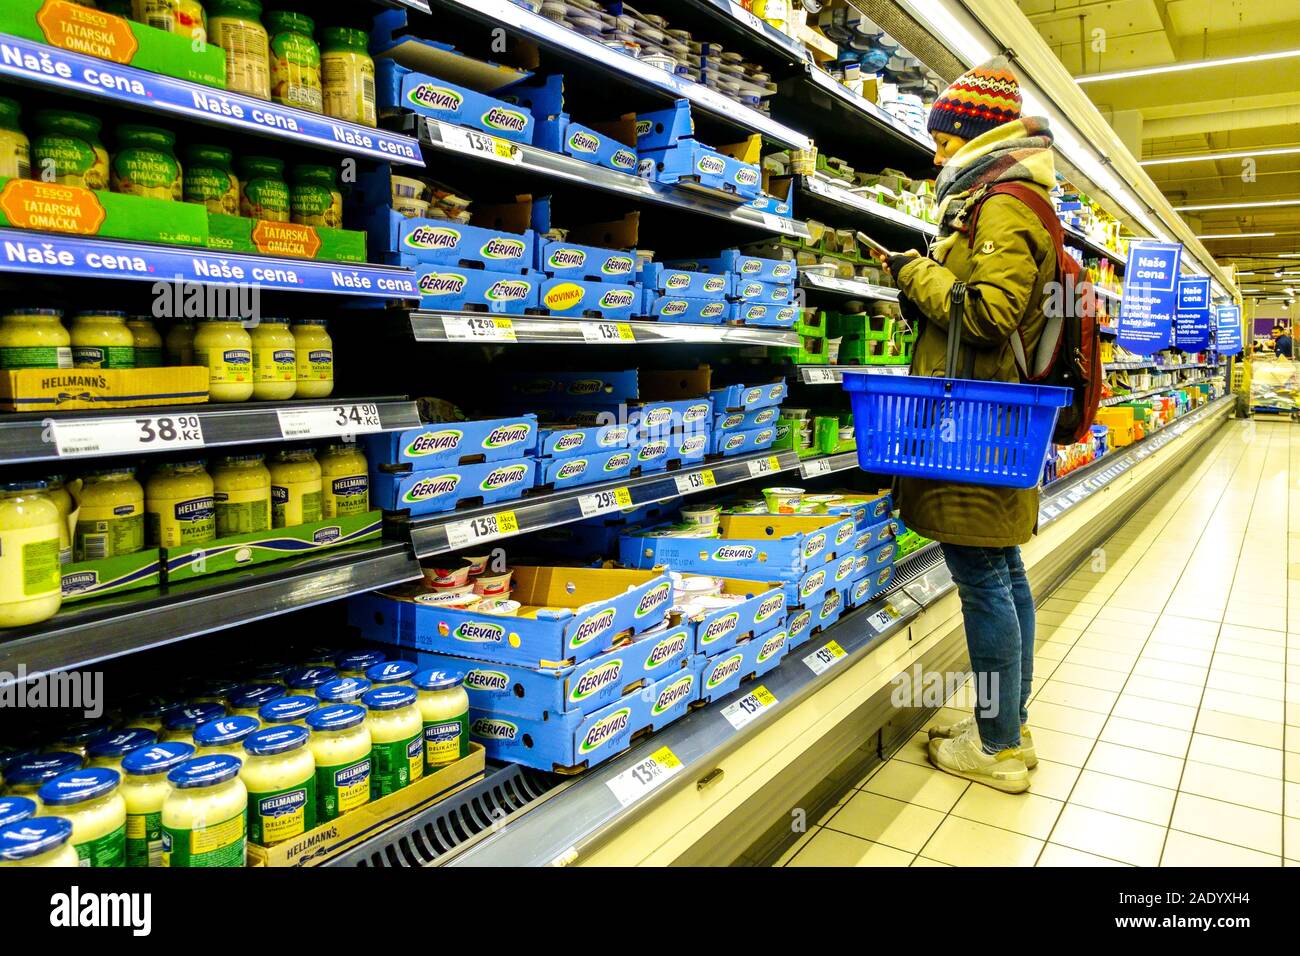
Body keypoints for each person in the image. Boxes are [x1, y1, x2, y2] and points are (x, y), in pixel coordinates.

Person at [869, 58, 1060, 794]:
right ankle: (1006, 724)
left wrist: (914, 272)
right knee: (1002, 574)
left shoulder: (1004, 205)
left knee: (984, 578)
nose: (937, 154)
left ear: (975, 136)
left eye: (944, 139)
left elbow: (985, 315)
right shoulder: (1001, 201)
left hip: (975, 419)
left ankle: (1000, 749)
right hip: (989, 414)